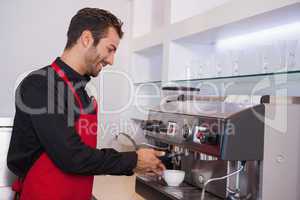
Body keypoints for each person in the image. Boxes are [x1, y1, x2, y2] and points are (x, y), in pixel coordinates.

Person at [7, 7, 165, 200]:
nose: (112, 60)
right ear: (87, 39)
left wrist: (136, 163)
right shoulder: (41, 85)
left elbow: (84, 155)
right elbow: (72, 156)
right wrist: (133, 160)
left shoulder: (83, 91)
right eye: (110, 49)